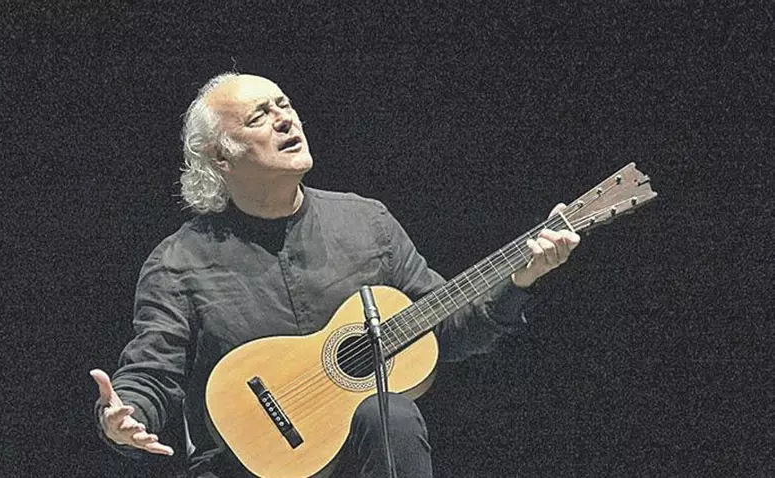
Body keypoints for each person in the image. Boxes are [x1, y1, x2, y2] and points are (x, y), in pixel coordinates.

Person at [90, 72, 580, 477]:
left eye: (284, 105)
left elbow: (446, 328)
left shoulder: (367, 223)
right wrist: (124, 414)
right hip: (247, 467)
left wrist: (519, 280)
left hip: (362, 461)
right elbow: (152, 371)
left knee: (391, 413)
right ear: (221, 157)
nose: (285, 119)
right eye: (259, 117)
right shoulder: (179, 261)